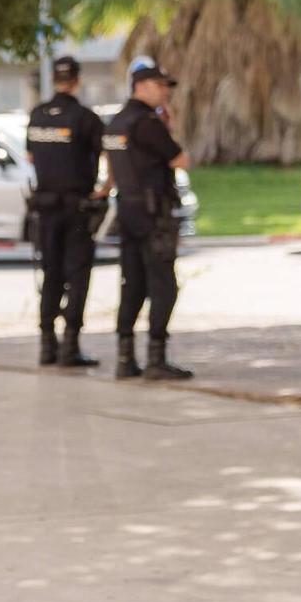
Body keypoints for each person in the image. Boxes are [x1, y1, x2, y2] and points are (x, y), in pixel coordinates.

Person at [104, 61, 191, 381]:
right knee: (163, 285)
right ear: (141, 86)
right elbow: (181, 159)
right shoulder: (147, 123)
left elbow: (112, 171)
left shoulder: (115, 123)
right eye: (160, 85)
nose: (166, 92)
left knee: (132, 285)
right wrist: (169, 126)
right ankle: (157, 358)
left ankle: (125, 358)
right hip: (154, 216)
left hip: (127, 212)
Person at [24, 57, 106, 368]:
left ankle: (47, 345)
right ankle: (70, 346)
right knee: (78, 275)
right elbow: (106, 152)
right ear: (77, 80)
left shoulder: (37, 115)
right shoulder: (86, 118)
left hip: (45, 208)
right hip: (76, 209)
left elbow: (32, 156)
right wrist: (105, 188)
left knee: (51, 274)